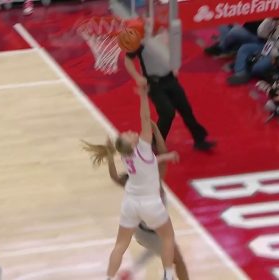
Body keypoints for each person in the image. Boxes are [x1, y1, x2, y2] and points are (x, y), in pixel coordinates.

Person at [83, 85, 178, 280]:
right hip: (150, 203)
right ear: (133, 143)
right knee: (168, 238)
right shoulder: (143, 147)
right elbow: (145, 117)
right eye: (127, 134)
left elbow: (150, 164)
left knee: (120, 245)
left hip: (131, 203)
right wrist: (143, 94)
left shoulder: (127, 155)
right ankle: (168, 277)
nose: (127, 131)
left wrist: (165, 157)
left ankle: (109, 278)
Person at [122, 22, 215, 151]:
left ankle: (199, 139)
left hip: (170, 79)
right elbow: (128, 60)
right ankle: (155, 144)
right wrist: (137, 77)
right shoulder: (139, 43)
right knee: (167, 113)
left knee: (186, 109)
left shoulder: (161, 36)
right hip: (154, 84)